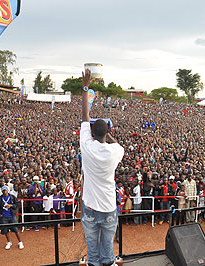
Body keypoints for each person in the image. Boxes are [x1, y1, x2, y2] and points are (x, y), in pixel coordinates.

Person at [80, 69, 124, 266]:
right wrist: (109, 134)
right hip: (107, 206)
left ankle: (94, 263)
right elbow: (116, 145)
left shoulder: (86, 146)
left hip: (89, 204)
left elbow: (84, 116)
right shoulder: (115, 151)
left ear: (91, 132)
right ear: (107, 132)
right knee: (107, 244)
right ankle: (108, 262)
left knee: (92, 244)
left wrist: (85, 87)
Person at [0, 186, 24, 250]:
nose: (4, 191)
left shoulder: (12, 197)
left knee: (15, 229)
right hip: (4, 217)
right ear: (1, 191)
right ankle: (8, 242)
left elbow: (17, 204)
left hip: (12, 215)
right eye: (3, 190)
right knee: (5, 230)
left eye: (5, 190)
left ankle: (20, 242)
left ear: (8, 190)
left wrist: (10, 205)